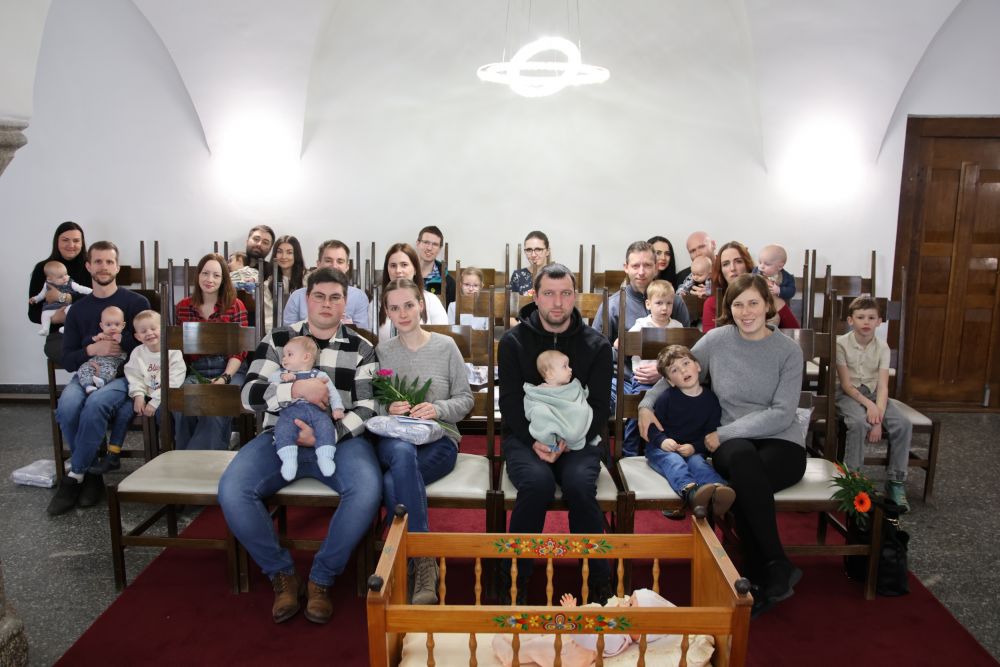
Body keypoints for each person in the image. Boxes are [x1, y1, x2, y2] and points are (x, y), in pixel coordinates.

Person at [218, 267, 381, 625]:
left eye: (335, 298)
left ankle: (322, 577)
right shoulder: (279, 339)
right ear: (307, 299)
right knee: (233, 489)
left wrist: (329, 435)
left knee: (368, 489)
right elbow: (248, 394)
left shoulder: (362, 348)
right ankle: (281, 574)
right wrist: (294, 389)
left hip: (340, 439)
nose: (327, 304)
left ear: (345, 303)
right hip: (279, 436)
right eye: (319, 296)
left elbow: (369, 407)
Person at [639, 273, 806, 617]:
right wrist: (646, 405)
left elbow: (782, 413)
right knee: (743, 466)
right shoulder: (717, 340)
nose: (746, 312)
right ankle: (774, 568)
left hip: (781, 441)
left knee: (746, 483)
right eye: (738, 304)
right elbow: (673, 374)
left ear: (768, 304)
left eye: (753, 303)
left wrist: (724, 434)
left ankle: (759, 576)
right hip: (734, 444)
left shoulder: (788, 351)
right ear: (729, 308)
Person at [498, 263, 613, 602]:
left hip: (580, 437)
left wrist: (570, 442)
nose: (558, 303)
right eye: (549, 293)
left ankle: (597, 579)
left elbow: (600, 408)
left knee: (579, 485)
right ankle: (515, 576)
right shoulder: (513, 342)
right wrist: (533, 440)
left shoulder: (596, 345)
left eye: (565, 294)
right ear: (535, 296)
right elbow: (510, 403)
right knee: (537, 484)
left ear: (575, 296)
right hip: (526, 437)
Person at [374, 278, 473, 604]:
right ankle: (424, 559)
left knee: (392, 482)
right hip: (396, 438)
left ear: (421, 306)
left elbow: (465, 399)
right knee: (401, 453)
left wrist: (437, 409)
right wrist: (388, 407)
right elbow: (372, 403)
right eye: (394, 308)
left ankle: (403, 559)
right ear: (387, 312)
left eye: (408, 305)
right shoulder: (383, 352)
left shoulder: (446, 347)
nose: (402, 313)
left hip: (440, 439)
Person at [48, 241, 149, 516]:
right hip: (85, 374)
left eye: (109, 262)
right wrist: (93, 350)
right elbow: (68, 358)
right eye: (98, 262)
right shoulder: (78, 310)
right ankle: (92, 475)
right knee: (67, 407)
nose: (104, 267)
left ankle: (75, 476)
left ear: (117, 267)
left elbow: (149, 344)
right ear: (88, 266)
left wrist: (118, 342)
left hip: (123, 376)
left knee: (95, 405)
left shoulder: (136, 303)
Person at [836, 295, 912, 510]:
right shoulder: (840, 344)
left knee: (903, 424)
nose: (866, 322)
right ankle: (853, 480)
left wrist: (878, 416)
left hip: (874, 393)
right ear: (851, 320)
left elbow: (883, 387)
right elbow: (846, 385)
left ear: (879, 321)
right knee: (859, 423)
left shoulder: (882, 347)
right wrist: (871, 409)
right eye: (860, 317)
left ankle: (896, 481)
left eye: (871, 318)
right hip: (847, 394)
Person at [492, 588, 691, 666]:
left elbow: (588, 639)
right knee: (541, 641)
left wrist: (572, 617)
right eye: (629, 599)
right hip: (574, 642)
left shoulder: (616, 639)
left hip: (571, 655)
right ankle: (518, 642)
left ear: (640, 629)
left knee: (538, 649)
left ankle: (510, 654)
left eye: (630, 604)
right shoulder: (619, 628)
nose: (624, 602)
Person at [645, 345, 734, 517]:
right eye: (674, 370)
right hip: (661, 450)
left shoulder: (711, 400)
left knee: (698, 463)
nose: (683, 371)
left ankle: (718, 491)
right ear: (670, 381)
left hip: (692, 450)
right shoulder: (666, 398)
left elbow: (710, 435)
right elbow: (652, 427)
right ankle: (691, 492)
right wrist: (662, 441)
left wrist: (694, 447)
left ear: (698, 366)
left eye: (686, 363)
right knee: (675, 462)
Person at [174, 253, 250, 450]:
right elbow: (178, 348)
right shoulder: (183, 307)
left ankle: (195, 462)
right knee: (182, 405)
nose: (210, 279)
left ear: (223, 279)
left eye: (216, 275)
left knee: (214, 405)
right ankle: (188, 458)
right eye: (205, 273)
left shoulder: (235, 306)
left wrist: (224, 378)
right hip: (196, 370)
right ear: (198, 275)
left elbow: (239, 351)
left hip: (230, 369)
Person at [109, 310, 186, 472]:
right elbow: (134, 375)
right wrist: (138, 395)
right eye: (143, 331)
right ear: (137, 336)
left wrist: (156, 401)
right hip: (145, 395)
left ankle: (172, 451)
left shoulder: (173, 352)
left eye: (153, 328)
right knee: (125, 411)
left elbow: (174, 380)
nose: (149, 333)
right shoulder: (138, 353)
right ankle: (114, 452)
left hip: (167, 396)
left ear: (163, 329)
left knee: (165, 415)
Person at [268, 335, 344, 482]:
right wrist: (283, 377)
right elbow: (271, 380)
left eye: (289, 354)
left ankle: (325, 456)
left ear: (306, 357)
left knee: (326, 426)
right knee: (283, 429)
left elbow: (332, 392)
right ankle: (288, 460)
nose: (284, 359)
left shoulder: (319, 375)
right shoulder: (284, 374)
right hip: (290, 413)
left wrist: (337, 408)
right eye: (284, 355)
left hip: (316, 412)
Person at [702, 241, 799, 333]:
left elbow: (796, 334)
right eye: (725, 264)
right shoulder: (712, 303)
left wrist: (773, 299)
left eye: (738, 261)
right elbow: (710, 341)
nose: (732, 268)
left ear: (748, 265)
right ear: (721, 271)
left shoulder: (771, 294)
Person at [28, 222, 92, 360]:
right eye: (65, 240)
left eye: (76, 240)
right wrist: (57, 318)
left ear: (82, 243)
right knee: (71, 353)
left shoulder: (90, 267)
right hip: (59, 334)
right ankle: (89, 368)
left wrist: (64, 297)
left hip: (89, 329)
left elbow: (96, 298)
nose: (71, 245)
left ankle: (88, 369)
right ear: (57, 241)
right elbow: (33, 313)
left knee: (105, 351)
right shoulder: (42, 269)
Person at [282, 240, 370, 330]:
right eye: (328, 261)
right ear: (318, 264)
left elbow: (362, 334)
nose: (334, 266)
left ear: (347, 266)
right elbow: (288, 333)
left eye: (340, 261)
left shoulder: (359, 297)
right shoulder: (297, 297)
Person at [523, 350, 599, 452]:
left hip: (570, 427)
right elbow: (533, 407)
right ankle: (551, 445)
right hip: (551, 428)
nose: (570, 369)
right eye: (565, 366)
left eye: (569, 365)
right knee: (539, 413)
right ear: (550, 374)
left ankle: (570, 436)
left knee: (580, 410)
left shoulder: (572, 387)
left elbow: (577, 399)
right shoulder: (538, 392)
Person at [376, 243, 448, 341]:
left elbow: (443, 339)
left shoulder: (431, 300)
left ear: (415, 269)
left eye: (404, 265)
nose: (398, 270)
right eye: (393, 266)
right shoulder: (376, 303)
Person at [29, 260, 93, 335]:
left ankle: (67, 327)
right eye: (60, 277)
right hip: (52, 307)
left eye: (66, 274)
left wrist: (92, 291)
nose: (65, 278)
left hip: (66, 305)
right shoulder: (47, 284)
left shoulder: (70, 283)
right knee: (45, 314)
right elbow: (42, 295)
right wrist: (35, 299)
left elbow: (81, 288)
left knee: (71, 310)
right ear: (50, 279)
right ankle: (45, 329)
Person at [75, 306, 127, 394]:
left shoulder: (124, 337)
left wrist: (122, 340)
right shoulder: (100, 336)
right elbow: (84, 344)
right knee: (84, 368)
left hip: (113, 361)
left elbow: (131, 348)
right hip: (96, 360)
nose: (113, 328)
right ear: (102, 326)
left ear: (123, 325)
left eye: (117, 324)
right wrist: (94, 338)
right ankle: (88, 385)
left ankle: (102, 381)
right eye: (108, 325)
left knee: (109, 369)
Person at [261, 235, 306, 334]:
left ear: (296, 255)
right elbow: (269, 320)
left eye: (289, 252)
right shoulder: (268, 285)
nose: (283, 256)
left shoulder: (307, 280)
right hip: (278, 335)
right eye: (279, 252)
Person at [415, 225, 456, 305]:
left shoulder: (449, 282)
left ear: (440, 248)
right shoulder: (404, 275)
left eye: (435, 244)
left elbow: (449, 311)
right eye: (426, 242)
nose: (429, 248)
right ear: (418, 243)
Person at [230, 224, 276, 291]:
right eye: (256, 239)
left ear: (270, 249)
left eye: (265, 242)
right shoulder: (232, 262)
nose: (259, 244)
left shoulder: (272, 272)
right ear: (247, 241)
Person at [753, 243, 796, 309]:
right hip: (760, 308)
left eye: (767, 264)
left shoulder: (787, 278)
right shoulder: (756, 272)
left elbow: (792, 291)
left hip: (779, 308)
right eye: (760, 262)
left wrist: (780, 290)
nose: (761, 266)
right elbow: (749, 283)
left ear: (780, 266)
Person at [508, 231, 551, 296]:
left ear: (547, 251)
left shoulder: (558, 275)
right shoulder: (517, 275)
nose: (533, 255)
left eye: (538, 249)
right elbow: (512, 301)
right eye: (529, 250)